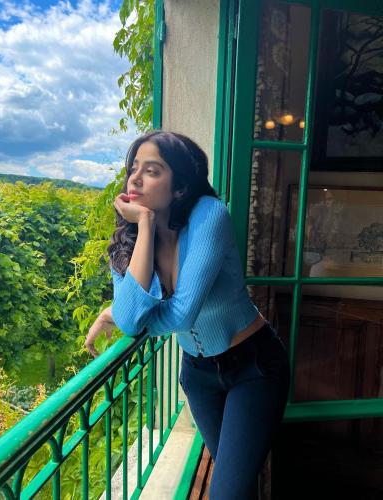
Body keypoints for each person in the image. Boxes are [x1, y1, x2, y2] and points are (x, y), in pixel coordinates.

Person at [84, 130, 291, 499]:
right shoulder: (130, 239)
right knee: (236, 484)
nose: (135, 179)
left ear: (179, 187)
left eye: (152, 170)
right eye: (134, 169)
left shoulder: (209, 215)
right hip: (198, 375)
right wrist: (144, 226)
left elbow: (180, 315)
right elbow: (130, 320)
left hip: (253, 366)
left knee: (227, 492)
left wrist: (125, 313)